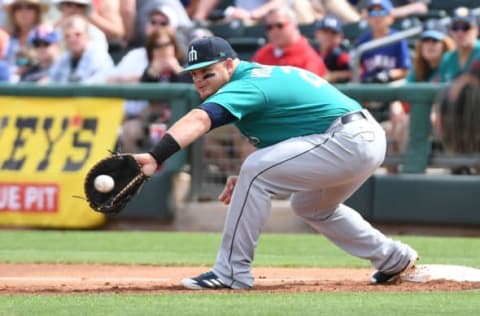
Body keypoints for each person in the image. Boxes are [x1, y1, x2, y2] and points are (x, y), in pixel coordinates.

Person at [133, 36, 418, 290]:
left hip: (347, 138)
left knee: (257, 170)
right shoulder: (260, 77)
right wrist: (245, 178)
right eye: (194, 75)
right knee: (309, 206)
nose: (200, 80)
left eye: (208, 72)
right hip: (357, 138)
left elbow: (199, 119)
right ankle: (393, 258)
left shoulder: (248, 82)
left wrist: (155, 157)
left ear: (230, 65)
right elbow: (291, 137)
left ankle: (231, 272)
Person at [252, 6, 327, 77]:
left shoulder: (309, 58)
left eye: (280, 25)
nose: (274, 31)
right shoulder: (262, 54)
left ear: (294, 25)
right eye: (269, 27)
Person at [48, 15, 113, 83]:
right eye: (67, 36)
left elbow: (98, 84)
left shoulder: (99, 56)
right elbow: (52, 80)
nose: (72, 39)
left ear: (87, 35)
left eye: (77, 34)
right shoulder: (64, 58)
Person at [438, 7, 480, 83]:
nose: (460, 32)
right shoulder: (447, 58)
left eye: (466, 27)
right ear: (450, 31)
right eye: (455, 28)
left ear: (477, 30)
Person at [314, 15, 351, 83]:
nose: (328, 36)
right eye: (325, 32)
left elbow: (357, 72)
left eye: (333, 33)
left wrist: (333, 75)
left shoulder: (341, 55)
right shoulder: (313, 53)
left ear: (340, 36)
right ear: (317, 33)